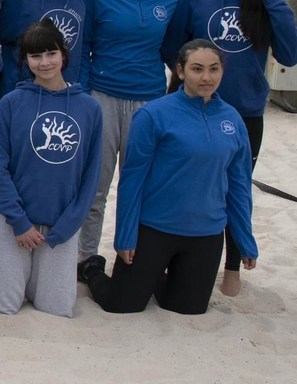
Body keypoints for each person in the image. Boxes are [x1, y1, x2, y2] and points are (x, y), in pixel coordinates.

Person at [163, 0, 297, 295]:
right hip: (191, 109)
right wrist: (193, 86)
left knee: (236, 190)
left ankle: (233, 267)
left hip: (244, 113)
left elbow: (291, 55)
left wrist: (275, 3)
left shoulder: (266, 2)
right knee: (186, 184)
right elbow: (172, 49)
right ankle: (175, 259)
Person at [86, 39, 257, 314]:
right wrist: (126, 236)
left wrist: (245, 240)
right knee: (121, 306)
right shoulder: (153, 114)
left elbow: (239, 187)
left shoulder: (233, 119)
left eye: (214, 69)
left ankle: (156, 279)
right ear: (180, 71)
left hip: (205, 235)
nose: (206, 77)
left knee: (188, 309)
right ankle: (92, 269)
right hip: (154, 230)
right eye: (197, 69)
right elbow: (132, 180)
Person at [0, 20, 103, 318]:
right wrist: (19, 221)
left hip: (60, 223)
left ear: (63, 54)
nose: (44, 62)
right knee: (2, 306)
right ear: (25, 61)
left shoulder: (89, 108)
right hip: (13, 220)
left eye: (51, 53)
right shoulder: (11, 103)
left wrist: (67, 226)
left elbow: (91, 176)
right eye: (35, 56)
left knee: (55, 307)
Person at [75, 0, 178, 273]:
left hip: (149, 101)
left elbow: (174, 53)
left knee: (141, 185)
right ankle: (85, 257)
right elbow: (84, 47)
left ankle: (133, 256)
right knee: (96, 185)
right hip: (103, 97)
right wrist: (88, 94)